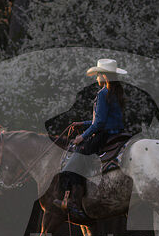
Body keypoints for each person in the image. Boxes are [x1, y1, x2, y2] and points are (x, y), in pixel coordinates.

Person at [53, 58, 127, 220]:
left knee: (76, 158)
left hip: (103, 134)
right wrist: (84, 123)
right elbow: (105, 119)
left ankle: (73, 202)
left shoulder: (103, 93)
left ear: (103, 76)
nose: (96, 78)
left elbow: (99, 123)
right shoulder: (116, 92)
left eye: (98, 75)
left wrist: (82, 136)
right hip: (115, 133)